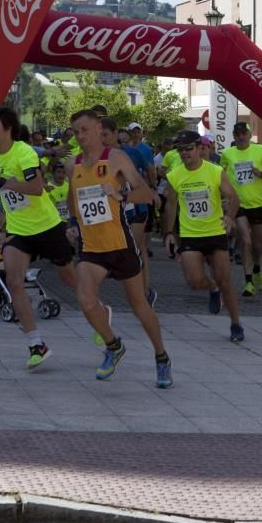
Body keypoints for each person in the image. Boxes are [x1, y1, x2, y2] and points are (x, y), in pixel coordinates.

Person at [66, 109, 172, 386]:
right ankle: (114, 347)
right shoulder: (72, 164)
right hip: (91, 248)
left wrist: (121, 195)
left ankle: (161, 357)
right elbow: (72, 199)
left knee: (139, 306)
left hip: (120, 245)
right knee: (86, 300)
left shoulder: (115, 158)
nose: (80, 136)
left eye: (85, 129)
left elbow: (146, 193)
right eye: (76, 131)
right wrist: (72, 223)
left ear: (99, 128)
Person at [0, 106, 80, 368]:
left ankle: (99, 311)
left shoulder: (23, 152)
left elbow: (35, 188)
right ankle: (37, 344)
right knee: (13, 281)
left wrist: (1, 183)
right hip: (19, 230)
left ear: (7, 129)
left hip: (47, 226)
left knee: (70, 279)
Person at [163, 130, 245, 342]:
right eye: (180, 150)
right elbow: (171, 205)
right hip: (190, 234)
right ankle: (212, 287)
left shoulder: (215, 171)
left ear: (200, 149)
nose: (184, 154)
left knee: (226, 280)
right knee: (194, 280)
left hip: (216, 231)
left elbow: (233, 198)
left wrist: (229, 217)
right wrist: (169, 233)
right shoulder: (175, 175)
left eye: (188, 149)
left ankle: (236, 324)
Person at [220, 122, 262, 297]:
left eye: (243, 133)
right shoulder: (227, 154)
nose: (240, 136)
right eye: (237, 134)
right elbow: (220, 178)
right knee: (245, 241)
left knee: (257, 245)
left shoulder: (260, 150)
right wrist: (223, 198)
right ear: (233, 136)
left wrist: (260, 174)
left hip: (258, 203)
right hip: (238, 205)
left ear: (249, 134)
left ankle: (257, 268)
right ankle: (248, 282)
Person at [120, 122, 158, 308]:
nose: (121, 144)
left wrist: (152, 188)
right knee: (135, 249)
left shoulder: (135, 153)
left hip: (138, 207)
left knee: (135, 248)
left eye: (123, 140)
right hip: (120, 208)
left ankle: (143, 293)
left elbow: (150, 169)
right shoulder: (103, 157)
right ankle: (143, 292)